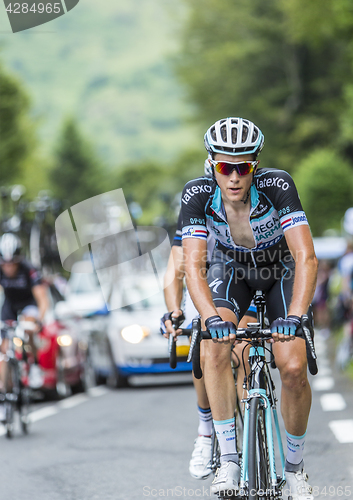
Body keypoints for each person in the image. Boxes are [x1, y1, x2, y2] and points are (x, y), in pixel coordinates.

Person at [180, 118, 318, 499]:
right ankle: (228, 459)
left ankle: (294, 468)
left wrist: (295, 316)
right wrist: (209, 318)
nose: (235, 177)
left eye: (244, 167)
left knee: (292, 367)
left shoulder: (278, 185)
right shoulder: (197, 194)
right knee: (215, 344)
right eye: (226, 167)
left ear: (255, 165)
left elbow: (305, 255)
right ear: (212, 165)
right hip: (233, 272)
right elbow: (192, 264)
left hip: (280, 271)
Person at [161, 162, 258, 480]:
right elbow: (176, 267)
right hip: (207, 290)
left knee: (245, 349)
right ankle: (206, 430)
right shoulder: (196, 208)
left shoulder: (248, 206)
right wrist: (174, 309)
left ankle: (253, 434)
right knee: (205, 346)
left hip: (246, 283)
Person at [0, 233, 49, 407]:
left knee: (28, 327)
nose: (8, 267)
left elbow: (42, 299)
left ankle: (34, 365)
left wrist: (39, 320)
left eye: (11, 263)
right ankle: (4, 390)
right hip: (10, 306)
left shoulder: (29, 269)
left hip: (28, 304)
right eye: (4, 264)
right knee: (4, 348)